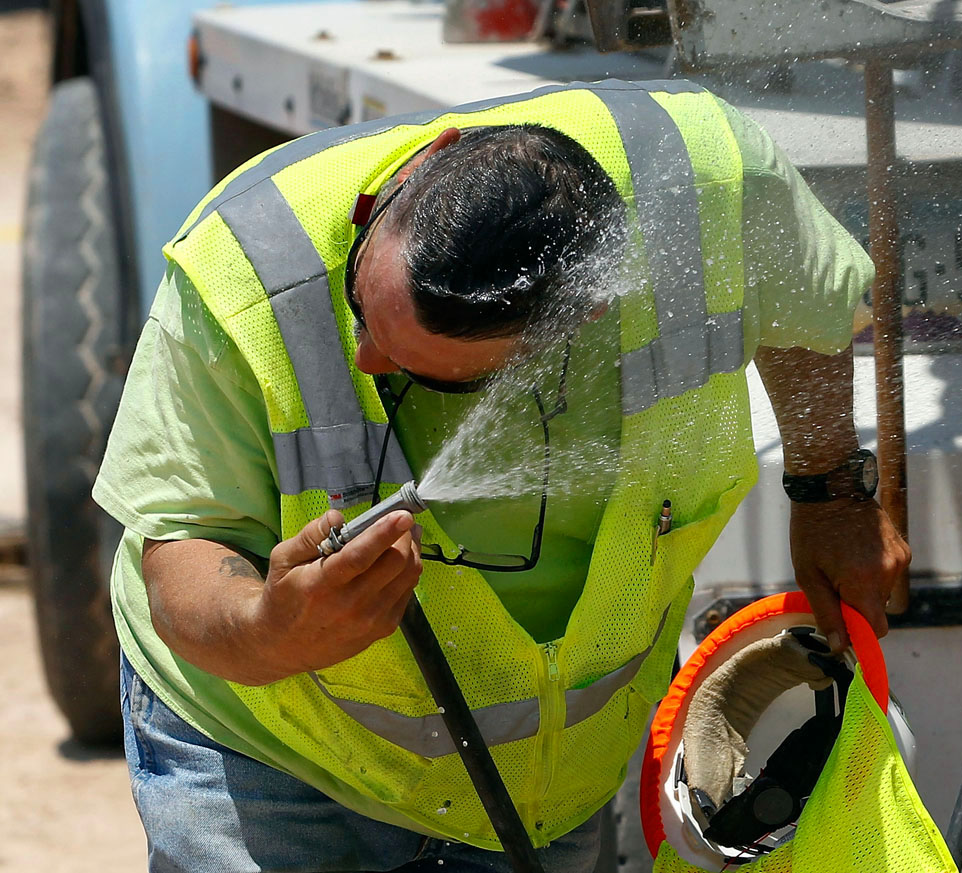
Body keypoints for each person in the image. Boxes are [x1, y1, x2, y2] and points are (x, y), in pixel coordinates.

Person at [96, 79, 910, 872]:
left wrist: (831, 490)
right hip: (276, 758)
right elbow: (179, 553)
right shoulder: (246, 264)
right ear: (432, 161)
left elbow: (804, 305)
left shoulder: (717, 184)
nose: (363, 360)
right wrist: (273, 626)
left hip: (543, 787)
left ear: (579, 319)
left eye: (433, 375)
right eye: (362, 304)